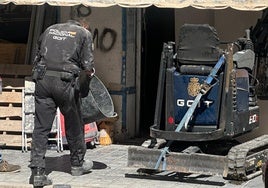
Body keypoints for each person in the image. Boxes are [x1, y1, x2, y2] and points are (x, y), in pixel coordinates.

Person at [29, 18, 95, 187]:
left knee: (41, 127)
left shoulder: (50, 28)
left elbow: (38, 55)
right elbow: (87, 66)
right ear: (84, 26)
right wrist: (86, 84)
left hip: (42, 80)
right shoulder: (84, 34)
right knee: (74, 123)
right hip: (65, 83)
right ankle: (77, 164)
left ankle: (37, 172)